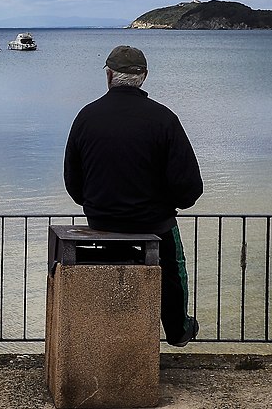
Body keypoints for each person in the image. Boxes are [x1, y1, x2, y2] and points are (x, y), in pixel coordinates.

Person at [63, 44, 203, 347]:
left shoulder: (86, 117)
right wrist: (167, 203)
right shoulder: (164, 119)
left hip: (101, 219)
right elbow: (190, 188)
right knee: (173, 268)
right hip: (153, 222)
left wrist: (95, 202)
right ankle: (178, 330)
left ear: (109, 75)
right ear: (144, 76)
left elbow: (73, 184)